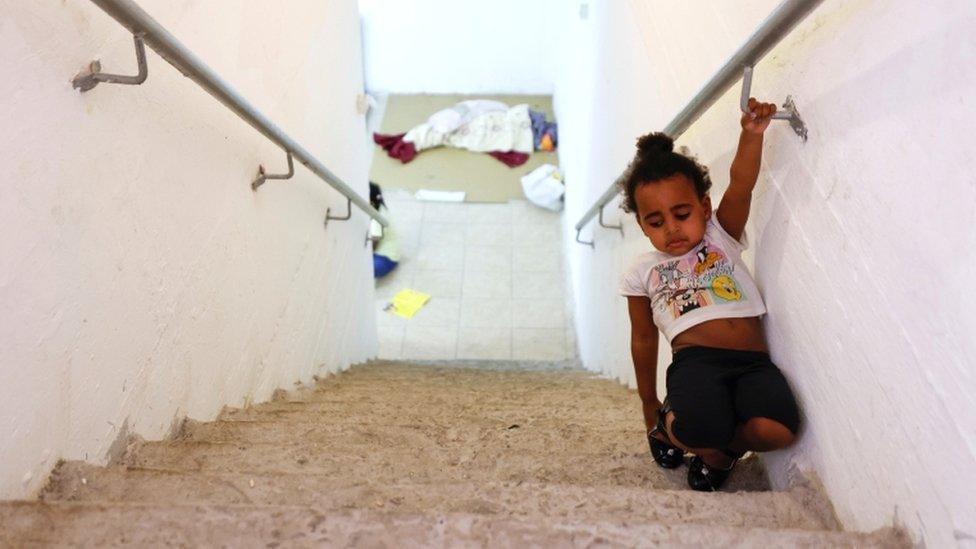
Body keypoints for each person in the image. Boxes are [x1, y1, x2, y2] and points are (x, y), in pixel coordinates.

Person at [618, 98, 800, 491]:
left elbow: (741, 184)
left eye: (681, 214)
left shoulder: (721, 236)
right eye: (656, 221)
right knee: (699, 425)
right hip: (697, 363)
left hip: (753, 362)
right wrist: (649, 403)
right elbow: (643, 338)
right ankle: (670, 429)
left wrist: (751, 136)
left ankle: (722, 450)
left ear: (703, 206)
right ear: (643, 226)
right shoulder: (642, 272)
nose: (672, 229)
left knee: (779, 430)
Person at [369, 182, 400, 278]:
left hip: (386, 258)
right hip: (387, 251)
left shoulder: (377, 219)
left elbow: (372, 247)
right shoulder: (379, 207)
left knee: (365, 270)